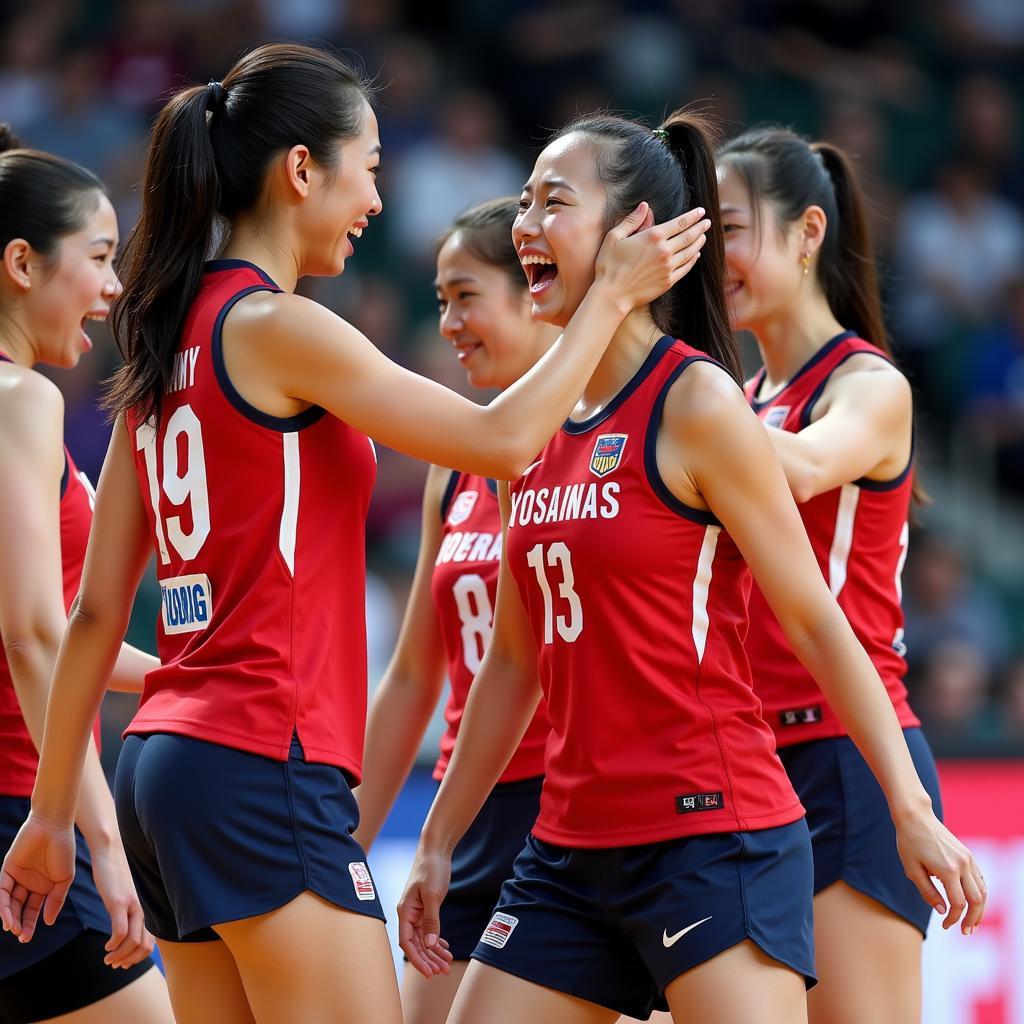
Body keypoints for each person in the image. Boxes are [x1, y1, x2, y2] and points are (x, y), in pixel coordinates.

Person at [0, 45, 708, 1024]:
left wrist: (48, 814)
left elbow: (92, 618)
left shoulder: (164, 346)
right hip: (261, 759)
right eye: (368, 166)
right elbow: (504, 440)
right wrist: (611, 298)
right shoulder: (277, 326)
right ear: (302, 171)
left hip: (159, 770)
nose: (377, 194)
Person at [397, 110, 986, 1024]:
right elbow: (512, 663)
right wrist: (437, 841)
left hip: (710, 831)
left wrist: (910, 807)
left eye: (554, 202)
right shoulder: (531, 424)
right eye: (523, 201)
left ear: (635, 233)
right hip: (566, 843)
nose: (525, 225)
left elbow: (816, 619)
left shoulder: (704, 401)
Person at [716, 126, 975, 1023]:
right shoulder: (736, 398)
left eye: (733, 228)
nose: (717, 255)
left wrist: (659, 399)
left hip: (850, 759)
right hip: (743, 766)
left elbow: (797, 468)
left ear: (808, 231)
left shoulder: (868, 385)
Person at [355, 196, 559, 1024]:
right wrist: (346, 846)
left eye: (465, 295)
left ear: (533, 295)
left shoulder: (588, 448)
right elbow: (411, 677)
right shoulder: (458, 465)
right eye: (438, 300)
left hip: (568, 805)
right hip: (467, 809)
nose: (446, 322)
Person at [0, 129, 173, 1023]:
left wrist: (188, 676)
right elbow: (34, 635)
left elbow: (59, 640)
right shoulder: (19, 400)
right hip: (21, 811)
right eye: (101, 258)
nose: (112, 288)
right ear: (21, 263)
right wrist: (91, 837)